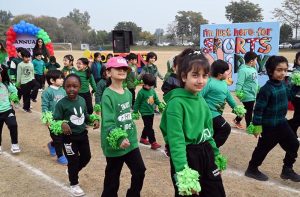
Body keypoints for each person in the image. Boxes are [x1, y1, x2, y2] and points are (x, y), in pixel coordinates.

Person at [160, 50, 226, 197]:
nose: (200, 80)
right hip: (188, 157)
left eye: (204, 76)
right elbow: (176, 142)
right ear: (184, 76)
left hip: (206, 153)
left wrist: (216, 155)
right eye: (195, 75)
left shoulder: (201, 100)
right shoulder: (175, 104)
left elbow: (208, 133)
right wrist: (184, 173)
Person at [245, 55, 300, 182]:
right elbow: (258, 110)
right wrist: (257, 126)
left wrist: (297, 85)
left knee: (294, 144)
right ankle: (252, 169)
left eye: (285, 70)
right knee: (262, 149)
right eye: (279, 70)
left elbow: (290, 97)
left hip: (281, 123)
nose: (283, 73)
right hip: (269, 126)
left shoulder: (283, 85)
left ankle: (287, 170)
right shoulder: (266, 90)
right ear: (270, 71)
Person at [101, 56, 146, 197]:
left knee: (139, 170)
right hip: (115, 143)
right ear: (108, 73)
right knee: (112, 179)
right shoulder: (107, 95)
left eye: (124, 68)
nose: (122, 71)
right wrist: (119, 139)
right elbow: (108, 122)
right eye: (118, 68)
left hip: (131, 141)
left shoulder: (127, 93)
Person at [53, 73, 99, 196]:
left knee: (87, 157)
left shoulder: (82, 100)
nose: (71, 89)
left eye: (75, 86)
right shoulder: (61, 104)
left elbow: (85, 116)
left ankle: (72, 170)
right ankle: (74, 184)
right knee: (72, 161)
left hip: (83, 135)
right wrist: (62, 124)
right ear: (64, 87)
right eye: (68, 86)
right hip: (68, 138)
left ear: (80, 87)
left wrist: (93, 120)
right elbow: (55, 120)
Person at [201, 60, 245, 148]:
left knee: (213, 133)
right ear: (220, 74)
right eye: (226, 71)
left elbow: (229, 97)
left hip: (217, 113)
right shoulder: (209, 82)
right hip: (210, 114)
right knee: (225, 128)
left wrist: (237, 109)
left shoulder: (223, 83)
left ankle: (206, 150)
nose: (228, 73)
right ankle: (211, 150)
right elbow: (199, 96)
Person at [41, 70, 68, 165]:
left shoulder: (63, 90)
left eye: (62, 78)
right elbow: (44, 106)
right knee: (58, 138)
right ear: (52, 80)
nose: (62, 80)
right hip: (52, 120)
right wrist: (47, 119)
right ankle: (60, 155)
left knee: (63, 137)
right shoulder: (47, 92)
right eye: (60, 78)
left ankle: (51, 144)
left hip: (62, 119)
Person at [133, 73, 162, 150]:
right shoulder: (141, 92)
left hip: (151, 111)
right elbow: (137, 102)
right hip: (144, 113)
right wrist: (135, 112)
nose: (149, 87)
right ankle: (153, 142)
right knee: (149, 128)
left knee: (148, 126)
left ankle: (143, 138)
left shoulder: (152, 91)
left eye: (150, 85)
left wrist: (159, 104)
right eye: (147, 85)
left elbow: (155, 99)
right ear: (143, 83)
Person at [233, 51, 258, 129]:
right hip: (246, 94)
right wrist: (238, 92)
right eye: (256, 60)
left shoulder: (253, 69)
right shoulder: (243, 70)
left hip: (252, 94)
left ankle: (237, 120)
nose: (256, 62)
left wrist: (258, 88)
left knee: (246, 109)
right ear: (251, 61)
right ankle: (249, 126)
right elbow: (239, 83)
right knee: (249, 111)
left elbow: (254, 81)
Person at [0, 65, 20, 154]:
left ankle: (15, 144)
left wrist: (14, 100)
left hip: (7, 110)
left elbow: (14, 91)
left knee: (13, 125)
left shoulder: (6, 84)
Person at [288, 52, 300, 141]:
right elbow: (289, 83)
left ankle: (292, 132)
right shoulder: (296, 71)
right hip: (297, 97)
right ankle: (288, 124)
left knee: (297, 115)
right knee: (298, 117)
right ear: (296, 60)